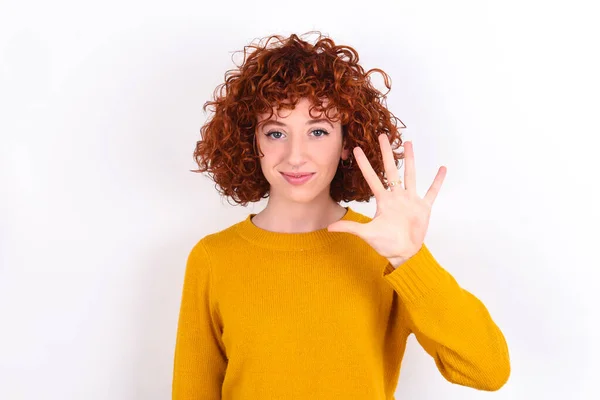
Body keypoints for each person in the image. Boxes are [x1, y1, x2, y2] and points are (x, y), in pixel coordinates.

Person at [172, 32, 510, 399]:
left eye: (318, 131)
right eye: (275, 132)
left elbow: (487, 370)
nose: (296, 156)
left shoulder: (384, 250)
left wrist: (411, 258)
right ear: (253, 142)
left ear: (347, 142)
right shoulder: (213, 258)